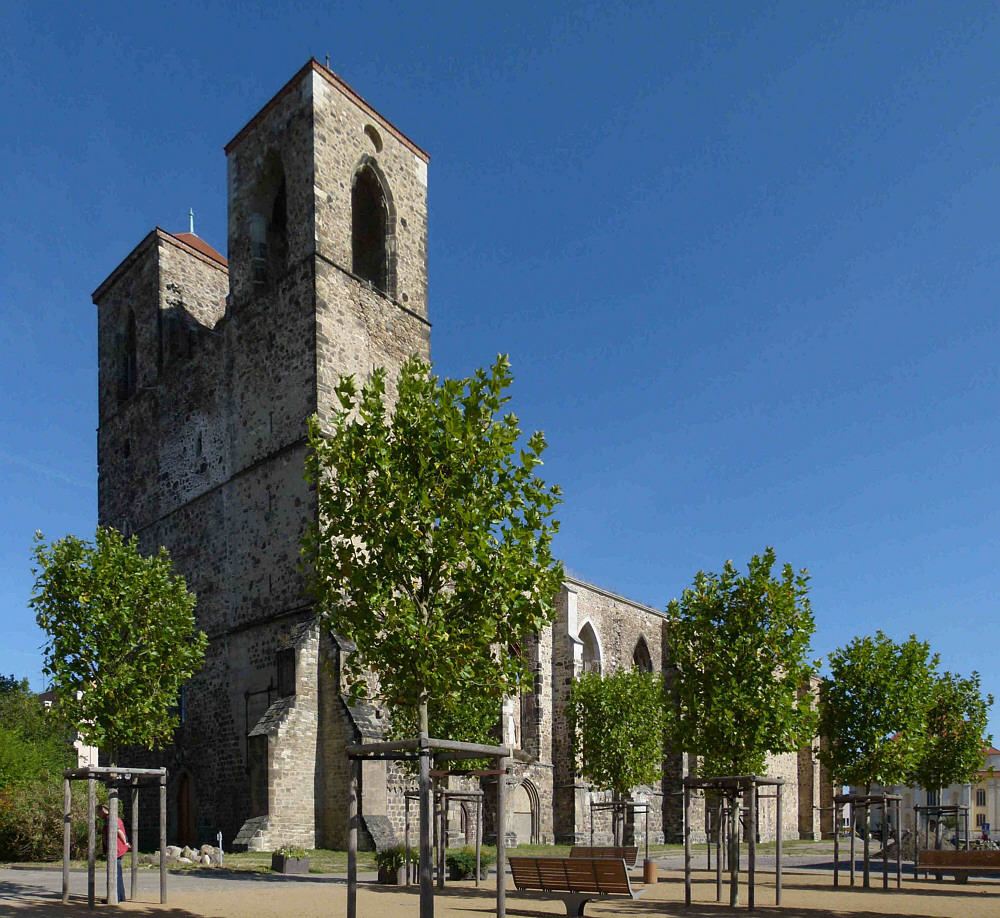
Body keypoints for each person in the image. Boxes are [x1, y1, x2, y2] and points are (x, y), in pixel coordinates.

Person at [97, 803, 129, 902]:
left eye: (98, 813)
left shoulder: (111, 819)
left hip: (117, 850)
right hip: (116, 850)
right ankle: (120, 896)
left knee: (114, 873)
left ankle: (116, 897)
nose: (98, 816)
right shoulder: (109, 819)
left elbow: (119, 832)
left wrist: (125, 843)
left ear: (103, 811)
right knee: (117, 873)